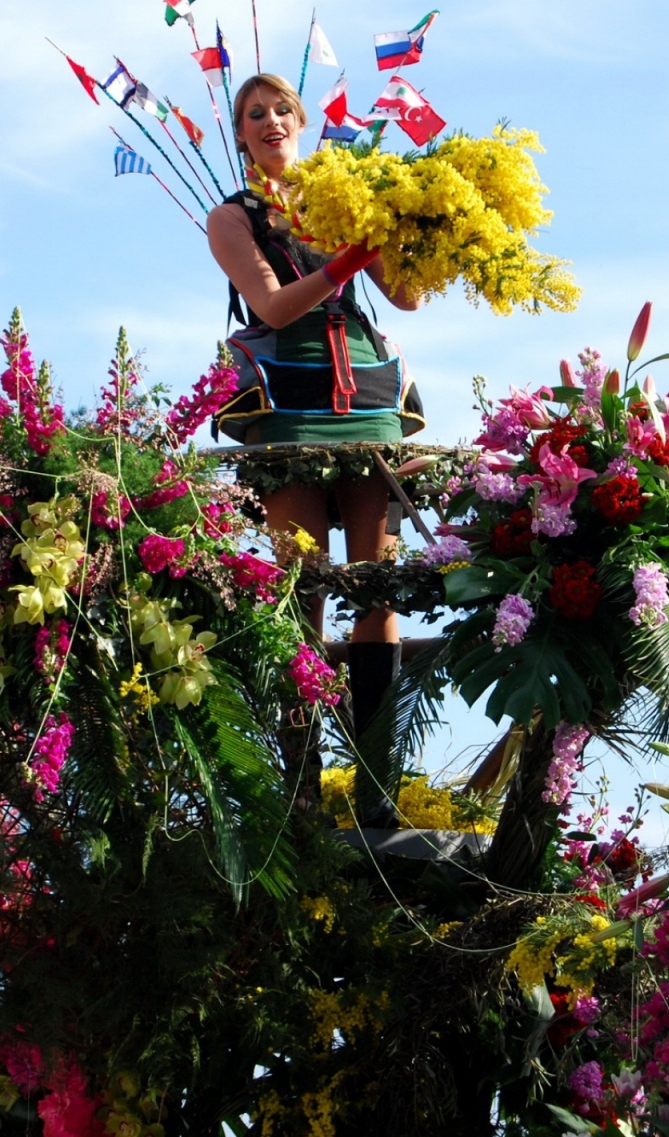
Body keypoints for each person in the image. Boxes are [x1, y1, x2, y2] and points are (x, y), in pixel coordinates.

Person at [207, 73, 424, 821]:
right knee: (300, 590)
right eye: (253, 114)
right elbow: (269, 303)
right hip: (290, 396)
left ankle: (377, 793)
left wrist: (402, 227)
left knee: (376, 585)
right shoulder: (232, 217)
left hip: (366, 390)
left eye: (280, 110)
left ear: (301, 122)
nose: (269, 121)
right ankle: (301, 792)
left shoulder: (346, 194)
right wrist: (343, 262)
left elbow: (409, 297)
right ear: (241, 136)